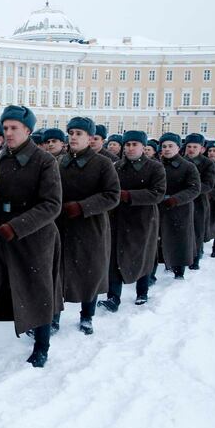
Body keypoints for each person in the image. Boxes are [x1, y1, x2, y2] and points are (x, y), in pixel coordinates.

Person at [0, 105, 61, 371]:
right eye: (6, 128)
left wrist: (18, 225)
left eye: (14, 128)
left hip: (33, 237)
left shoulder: (44, 161)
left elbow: (51, 204)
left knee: (37, 292)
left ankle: (41, 347)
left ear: (28, 130)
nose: (9, 133)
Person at [53, 117, 120, 335]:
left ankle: (87, 316)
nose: (73, 137)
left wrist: (82, 207)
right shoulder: (59, 162)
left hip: (90, 227)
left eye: (79, 133)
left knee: (90, 272)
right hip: (61, 226)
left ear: (91, 138)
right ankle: (53, 318)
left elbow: (112, 196)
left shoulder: (103, 164)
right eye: (71, 132)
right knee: (58, 273)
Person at [100, 130, 166, 310]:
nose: (130, 148)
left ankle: (142, 291)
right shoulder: (116, 167)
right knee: (115, 257)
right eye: (127, 144)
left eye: (134, 144)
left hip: (143, 219)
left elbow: (157, 193)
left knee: (143, 254)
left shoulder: (155, 167)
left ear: (143, 147)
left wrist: (127, 195)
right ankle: (113, 297)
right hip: (118, 218)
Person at [157, 132, 201, 280]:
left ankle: (179, 269)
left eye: (171, 146)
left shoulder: (188, 167)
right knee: (157, 238)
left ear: (178, 148)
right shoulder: (156, 165)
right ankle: (154, 270)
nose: (167, 149)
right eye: (164, 146)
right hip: (158, 207)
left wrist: (176, 199)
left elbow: (194, 188)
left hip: (180, 209)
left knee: (179, 239)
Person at [183, 134, 215, 270]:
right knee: (183, 230)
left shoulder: (208, 164)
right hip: (182, 202)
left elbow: (208, 184)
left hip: (198, 202)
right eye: (189, 146)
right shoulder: (181, 161)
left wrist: (190, 189)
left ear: (201, 149)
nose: (191, 149)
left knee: (197, 230)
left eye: (195, 147)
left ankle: (195, 258)